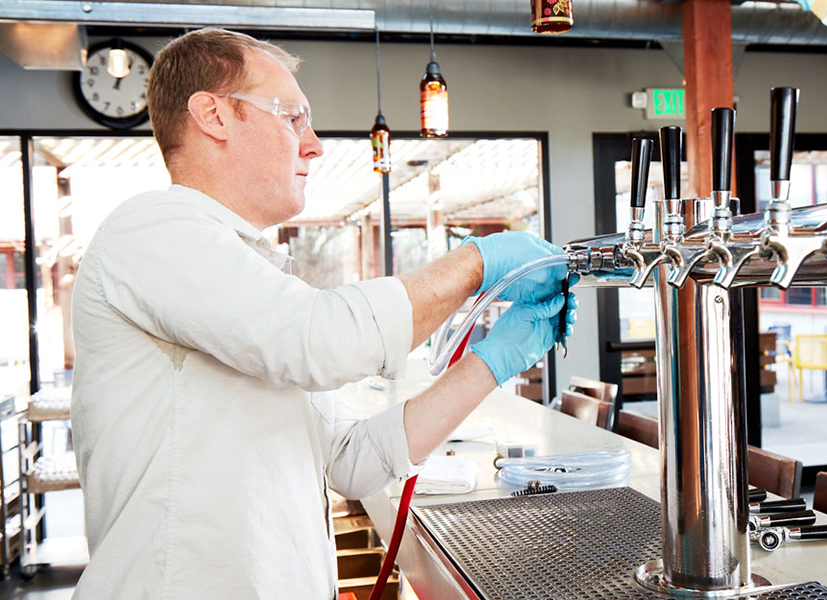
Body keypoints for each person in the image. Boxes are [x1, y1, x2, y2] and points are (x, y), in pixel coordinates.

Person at [70, 28, 576, 599]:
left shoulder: (244, 274)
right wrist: (475, 263)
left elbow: (353, 462)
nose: (314, 145)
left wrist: (492, 360)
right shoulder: (152, 230)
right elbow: (323, 339)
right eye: (292, 117)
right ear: (212, 114)